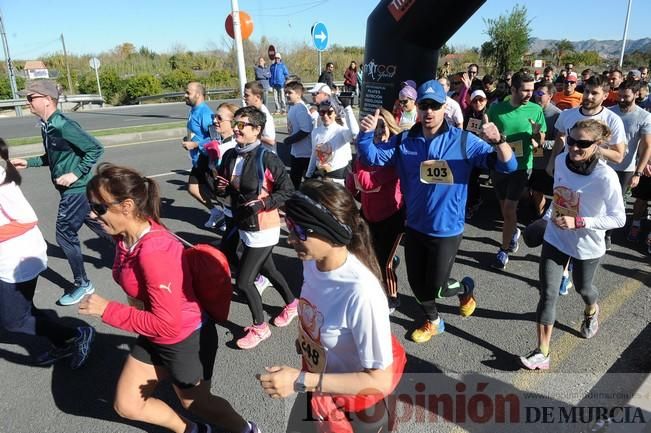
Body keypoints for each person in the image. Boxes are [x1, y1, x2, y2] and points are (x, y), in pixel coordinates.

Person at [79, 163, 260, 433]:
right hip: (150, 330)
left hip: (184, 338)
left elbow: (168, 325)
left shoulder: (155, 252)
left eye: (99, 208)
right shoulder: (125, 238)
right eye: (92, 207)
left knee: (198, 404)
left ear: (127, 206)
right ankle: (192, 431)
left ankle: (246, 429)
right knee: (128, 404)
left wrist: (107, 310)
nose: (93, 215)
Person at [357, 80, 517, 343]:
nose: (429, 111)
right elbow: (372, 157)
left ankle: (465, 287)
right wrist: (365, 134)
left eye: (434, 106)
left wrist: (499, 140)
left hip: (446, 229)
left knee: (439, 288)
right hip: (415, 226)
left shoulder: (464, 141)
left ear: (445, 107)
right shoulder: (405, 140)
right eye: (424, 105)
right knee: (418, 284)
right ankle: (433, 321)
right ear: (417, 107)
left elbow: (508, 166)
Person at [258, 180, 405, 433]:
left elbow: (379, 381)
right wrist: (308, 341)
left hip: (357, 410)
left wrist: (300, 380)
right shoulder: (312, 263)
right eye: (289, 226)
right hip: (319, 389)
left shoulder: (361, 292)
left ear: (330, 232)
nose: (290, 239)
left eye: (300, 231)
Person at [519, 120, 626, 371]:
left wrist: (579, 222)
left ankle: (591, 310)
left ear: (597, 145)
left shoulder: (605, 176)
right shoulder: (559, 161)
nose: (575, 148)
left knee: (583, 288)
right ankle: (542, 352)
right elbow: (559, 198)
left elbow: (619, 218)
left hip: (586, 245)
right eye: (572, 141)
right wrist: (545, 220)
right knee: (548, 294)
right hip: (556, 238)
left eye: (583, 144)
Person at [11, 79, 108, 306]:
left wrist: (75, 173)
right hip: (74, 190)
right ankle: (134, 249)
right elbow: (53, 158)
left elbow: (95, 148)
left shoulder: (63, 125)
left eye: (30, 98)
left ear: (47, 100)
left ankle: (83, 284)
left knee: (64, 235)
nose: (27, 103)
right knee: (104, 226)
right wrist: (28, 162)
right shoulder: (48, 126)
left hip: (77, 189)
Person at [0, 139, 95, 369]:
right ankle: (63, 342)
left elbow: (27, 218)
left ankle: (78, 334)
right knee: (24, 310)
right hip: (10, 258)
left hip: (18, 260)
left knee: (14, 321)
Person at [214, 106, 297, 350]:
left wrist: (263, 203)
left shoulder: (267, 157)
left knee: (243, 281)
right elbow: (228, 189)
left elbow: (287, 190)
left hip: (264, 227)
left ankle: (260, 328)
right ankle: (292, 304)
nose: (237, 129)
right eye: (236, 124)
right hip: (242, 223)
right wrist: (221, 187)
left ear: (257, 130)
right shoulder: (230, 155)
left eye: (242, 125)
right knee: (269, 269)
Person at [487, 72, 546, 270]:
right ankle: (513, 233)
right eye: (526, 90)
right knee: (504, 208)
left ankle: (503, 250)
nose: (531, 94)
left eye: (533, 90)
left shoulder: (536, 110)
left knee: (511, 208)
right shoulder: (497, 109)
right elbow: (488, 135)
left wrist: (537, 133)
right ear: (513, 89)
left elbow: (540, 143)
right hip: (499, 165)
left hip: (522, 166)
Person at [347, 108, 404, 313]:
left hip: (391, 217)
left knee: (384, 263)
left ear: (391, 130)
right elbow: (352, 186)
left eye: (383, 127)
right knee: (363, 255)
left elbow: (366, 182)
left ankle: (392, 298)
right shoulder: (363, 155)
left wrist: (357, 164)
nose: (379, 131)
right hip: (368, 215)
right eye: (375, 128)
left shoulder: (392, 159)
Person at [609, 80, 651, 243]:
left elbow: (647, 147)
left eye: (626, 96)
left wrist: (638, 173)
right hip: (605, 165)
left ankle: (608, 235)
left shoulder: (644, 117)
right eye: (619, 96)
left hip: (626, 169)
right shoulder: (609, 112)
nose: (621, 99)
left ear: (636, 94)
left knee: (616, 202)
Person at [181, 82, 222, 229]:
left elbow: (215, 137)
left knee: (217, 192)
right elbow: (197, 133)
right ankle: (216, 212)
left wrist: (196, 145)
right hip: (197, 158)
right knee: (193, 188)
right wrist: (189, 140)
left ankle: (229, 219)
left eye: (188, 93)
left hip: (206, 158)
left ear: (198, 94)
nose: (185, 95)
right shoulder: (194, 110)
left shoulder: (205, 113)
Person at [306, 99, 359, 184]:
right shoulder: (315, 132)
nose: (325, 116)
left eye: (329, 112)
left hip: (338, 178)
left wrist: (348, 108)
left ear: (335, 113)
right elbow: (314, 154)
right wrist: (308, 174)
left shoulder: (342, 131)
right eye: (322, 112)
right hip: (321, 177)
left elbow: (355, 133)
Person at [284, 81, 314, 189]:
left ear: (298, 94)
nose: (287, 95)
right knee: (294, 180)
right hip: (296, 151)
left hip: (305, 153)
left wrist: (289, 140)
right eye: (286, 92)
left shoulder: (301, 108)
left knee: (306, 182)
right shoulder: (293, 106)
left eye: (289, 93)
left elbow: (306, 130)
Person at [244, 81, 276, 149]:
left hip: (265, 156)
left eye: (247, 95)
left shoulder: (265, 115)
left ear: (257, 97)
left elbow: (271, 141)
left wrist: (252, 135)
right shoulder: (254, 112)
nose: (244, 98)